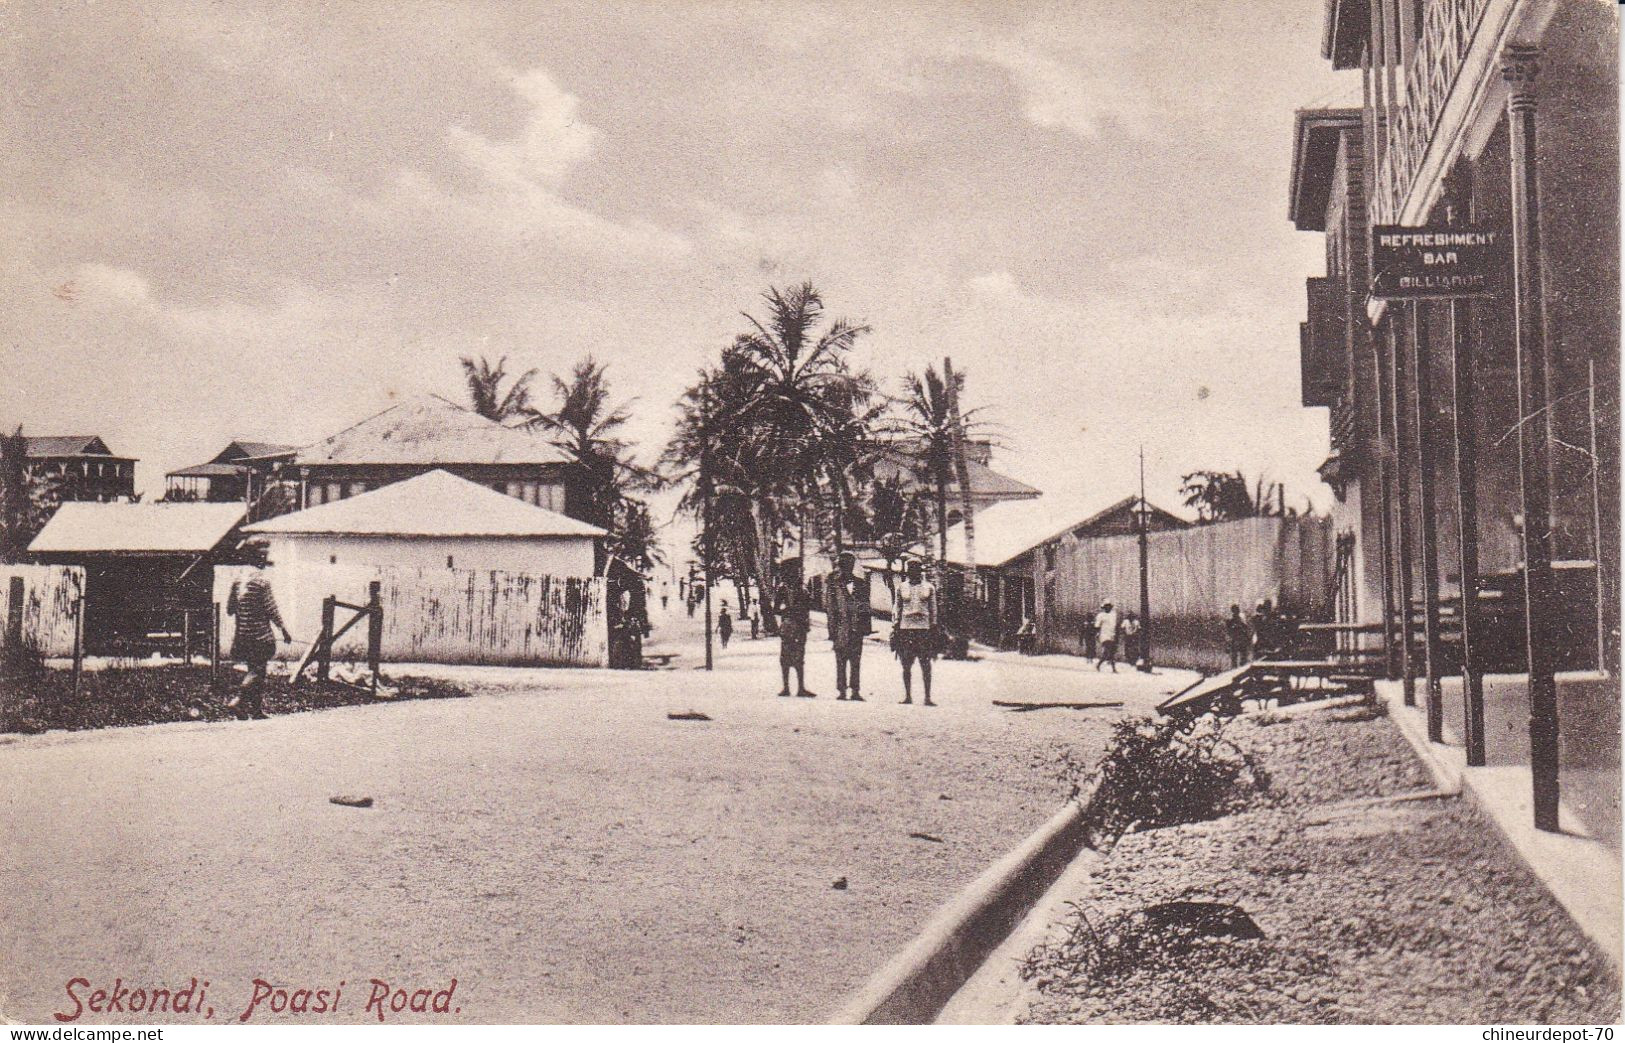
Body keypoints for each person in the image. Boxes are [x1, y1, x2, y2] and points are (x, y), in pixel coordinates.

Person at [225, 539, 291, 721]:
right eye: (263, 554)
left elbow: (230, 609)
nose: (265, 558)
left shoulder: (238, 580)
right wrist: (284, 630)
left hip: (243, 637)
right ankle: (238, 701)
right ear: (258, 557)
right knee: (258, 671)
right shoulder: (262, 581)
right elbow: (272, 609)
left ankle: (255, 711)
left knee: (253, 670)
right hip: (261, 636)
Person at [825, 551, 872, 702]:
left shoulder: (861, 583)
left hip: (857, 629)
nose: (846, 567)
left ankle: (855, 690)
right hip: (841, 628)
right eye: (844, 564)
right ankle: (842, 690)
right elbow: (831, 609)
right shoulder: (834, 584)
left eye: (849, 564)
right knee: (840, 660)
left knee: (856, 660)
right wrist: (832, 630)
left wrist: (866, 628)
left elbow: (866, 607)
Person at [891, 558, 937, 706]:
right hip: (906, 629)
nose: (913, 572)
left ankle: (928, 697)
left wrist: (933, 626)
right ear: (908, 571)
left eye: (916, 569)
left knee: (925, 663)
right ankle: (908, 696)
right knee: (906, 664)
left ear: (920, 570)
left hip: (923, 629)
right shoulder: (901, 587)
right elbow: (897, 607)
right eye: (911, 569)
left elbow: (933, 609)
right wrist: (896, 625)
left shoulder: (929, 587)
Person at [773, 562, 815, 698]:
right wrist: (788, 611)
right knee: (786, 657)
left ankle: (799, 688)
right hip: (790, 625)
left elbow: (808, 606)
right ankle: (788, 688)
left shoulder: (802, 590)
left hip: (798, 626)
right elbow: (776, 609)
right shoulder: (784, 590)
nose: (797, 575)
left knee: (799, 657)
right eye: (795, 572)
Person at [1093, 601, 1119, 673]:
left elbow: (1115, 626)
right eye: (1106, 606)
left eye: (1109, 606)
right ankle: (1113, 669)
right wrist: (1097, 634)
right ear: (1104, 607)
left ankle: (1099, 665)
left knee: (1110, 653)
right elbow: (1097, 626)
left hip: (1112, 635)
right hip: (1104, 635)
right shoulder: (1101, 615)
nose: (1108, 608)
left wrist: (1116, 635)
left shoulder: (1113, 615)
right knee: (1108, 651)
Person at [1225, 603, 1250, 668]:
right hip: (1234, 641)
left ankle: (1242, 669)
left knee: (1243, 659)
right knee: (1234, 660)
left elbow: (1246, 630)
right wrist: (1227, 644)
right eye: (1235, 610)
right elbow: (1228, 632)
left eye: (1237, 610)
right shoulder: (1230, 621)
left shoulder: (1242, 620)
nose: (1236, 612)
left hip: (1241, 641)